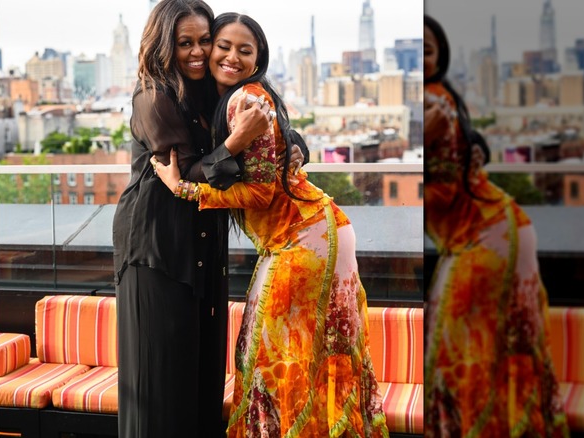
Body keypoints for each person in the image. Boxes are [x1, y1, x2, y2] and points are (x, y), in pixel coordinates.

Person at [151, 13, 388, 437]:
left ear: (258, 59)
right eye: (222, 45)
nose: (230, 57)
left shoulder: (245, 100)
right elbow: (281, 151)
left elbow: (260, 194)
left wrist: (183, 189)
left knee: (274, 358)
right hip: (306, 232)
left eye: (245, 51)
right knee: (288, 354)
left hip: (305, 237)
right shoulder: (229, 99)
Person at [111, 1, 305, 437]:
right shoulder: (153, 97)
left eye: (204, 40)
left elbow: (280, 133)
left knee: (201, 384)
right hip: (158, 252)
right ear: (164, 44)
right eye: (186, 43)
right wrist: (236, 143)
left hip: (204, 251)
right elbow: (188, 173)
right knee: (159, 386)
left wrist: (295, 150)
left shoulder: (212, 92)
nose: (199, 52)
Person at [422, 15, 569, 437]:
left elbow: (440, 191)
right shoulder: (436, 100)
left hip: (488, 237)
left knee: (463, 351)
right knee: (488, 346)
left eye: (427, 51)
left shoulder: (434, 103)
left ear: (438, 58)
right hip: (492, 231)